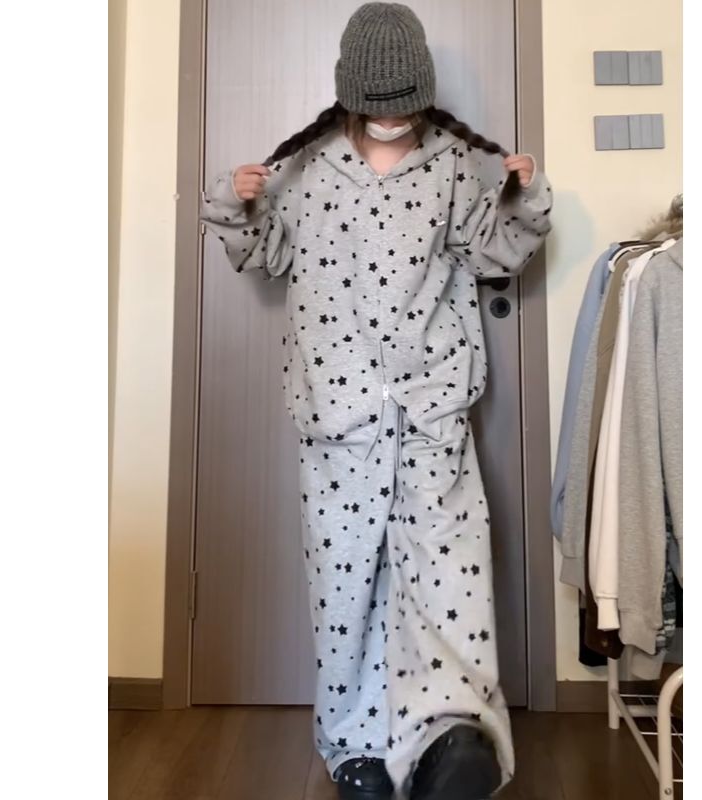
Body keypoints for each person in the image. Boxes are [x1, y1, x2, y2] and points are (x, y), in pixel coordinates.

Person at [201, 4, 552, 799]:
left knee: (448, 578)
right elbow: (265, 258)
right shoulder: (307, 169)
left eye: (405, 104)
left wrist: (524, 199)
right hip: (339, 417)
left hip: (432, 414)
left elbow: (494, 256)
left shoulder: (456, 166)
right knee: (347, 585)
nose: (393, 118)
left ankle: (452, 738)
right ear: (351, 97)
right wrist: (237, 203)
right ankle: (355, 748)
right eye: (379, 105)